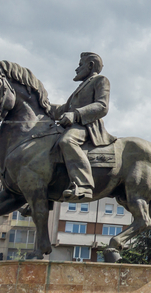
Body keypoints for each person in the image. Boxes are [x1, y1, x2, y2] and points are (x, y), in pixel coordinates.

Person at [48, 52, 115, 200]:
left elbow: (102, 106)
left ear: (90, 65)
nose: (76, 69)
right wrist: (41, 107)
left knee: (67, 141)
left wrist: (75, 115)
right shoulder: (81, 86)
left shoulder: (100, 80)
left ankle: (83, 186)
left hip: (87, 126)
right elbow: (63, 109)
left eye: (80, 65)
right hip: (73, 125)